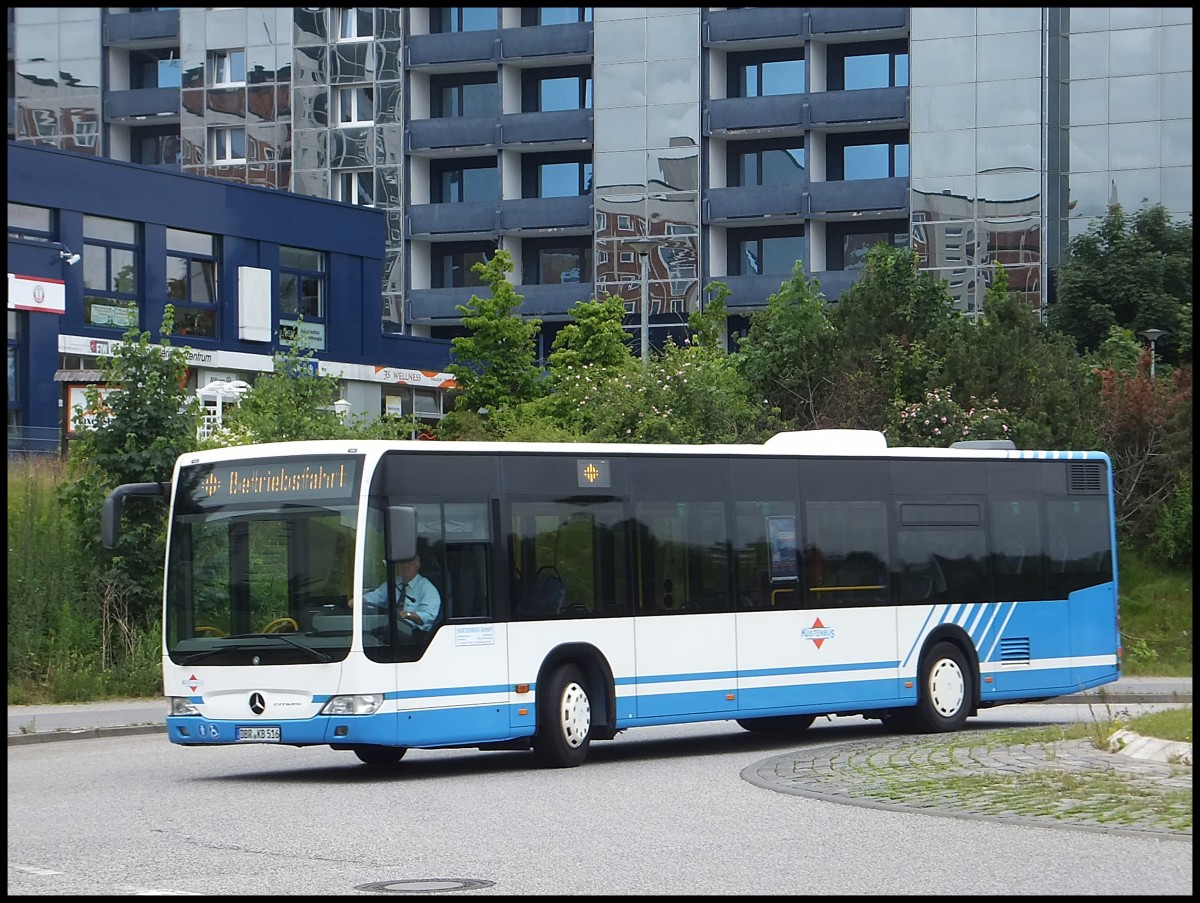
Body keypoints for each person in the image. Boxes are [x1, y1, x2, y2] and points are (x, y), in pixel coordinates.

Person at [350, 555, 441, 632]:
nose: (405, 567)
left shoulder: (427, 588)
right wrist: (359, 600)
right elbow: (377, 596)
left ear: (417, 566)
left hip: (415, 634)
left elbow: (429, 616)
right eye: (402, 563)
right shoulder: (394, 583)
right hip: (392, 629)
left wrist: (407, 615)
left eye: (409, 563)